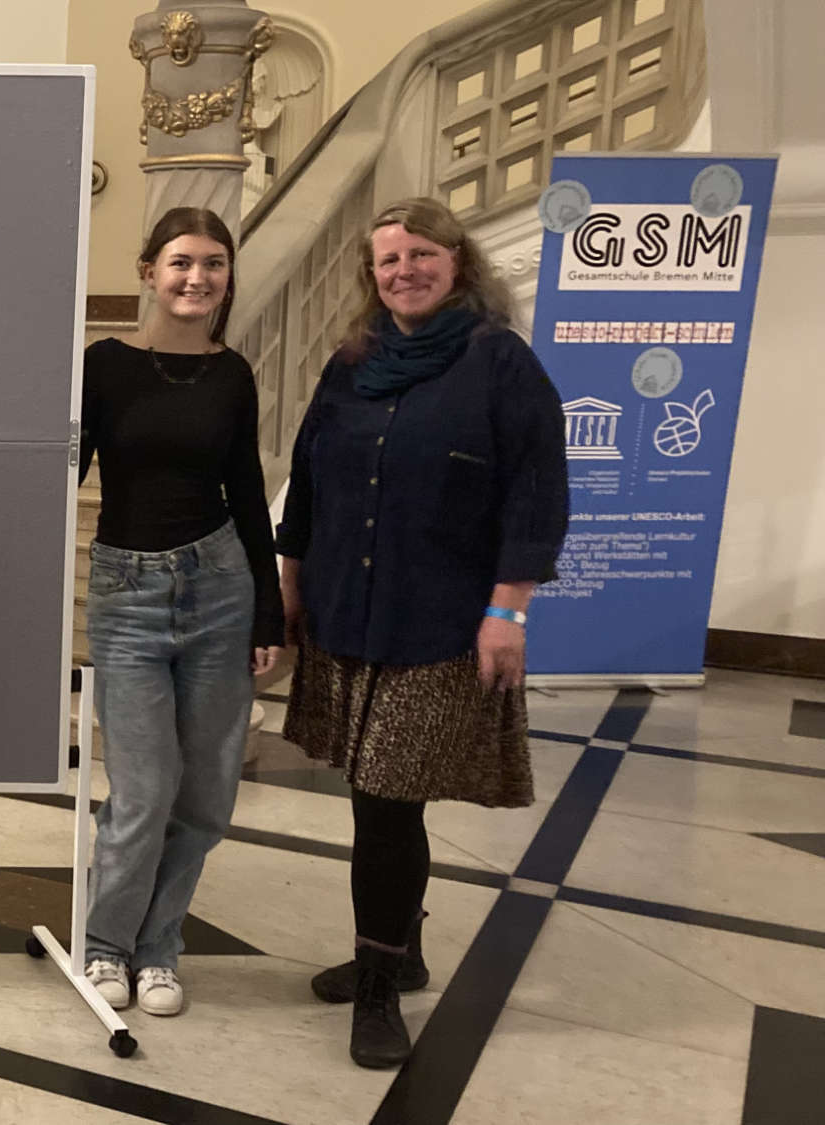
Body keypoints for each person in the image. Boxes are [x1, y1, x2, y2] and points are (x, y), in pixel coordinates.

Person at [276, 197, 568, 1068]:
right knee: (381, 797)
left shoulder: (499, 363)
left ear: (458, 259)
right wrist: (290, 590)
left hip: (439, 620)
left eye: (420, 253)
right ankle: (402, 956)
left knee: (386, 802)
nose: (403, 269)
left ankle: (377, 984)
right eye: (387, 259)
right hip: (347, 612)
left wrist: (508, 609)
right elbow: (309, 479)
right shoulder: (352, 361)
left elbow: (535, 493)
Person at [78, 207, 283, 1017]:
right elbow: (65, 468)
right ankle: (105, 945)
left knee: (204, 795)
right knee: (142, 788)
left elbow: (248, 495)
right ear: (148, 271)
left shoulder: (233, 374)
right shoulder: (104, 365)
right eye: (181, 262)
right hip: (128, 593)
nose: (197, 278)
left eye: (213, 264)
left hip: (220, 586)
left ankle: (160, 947)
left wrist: (267, 613)